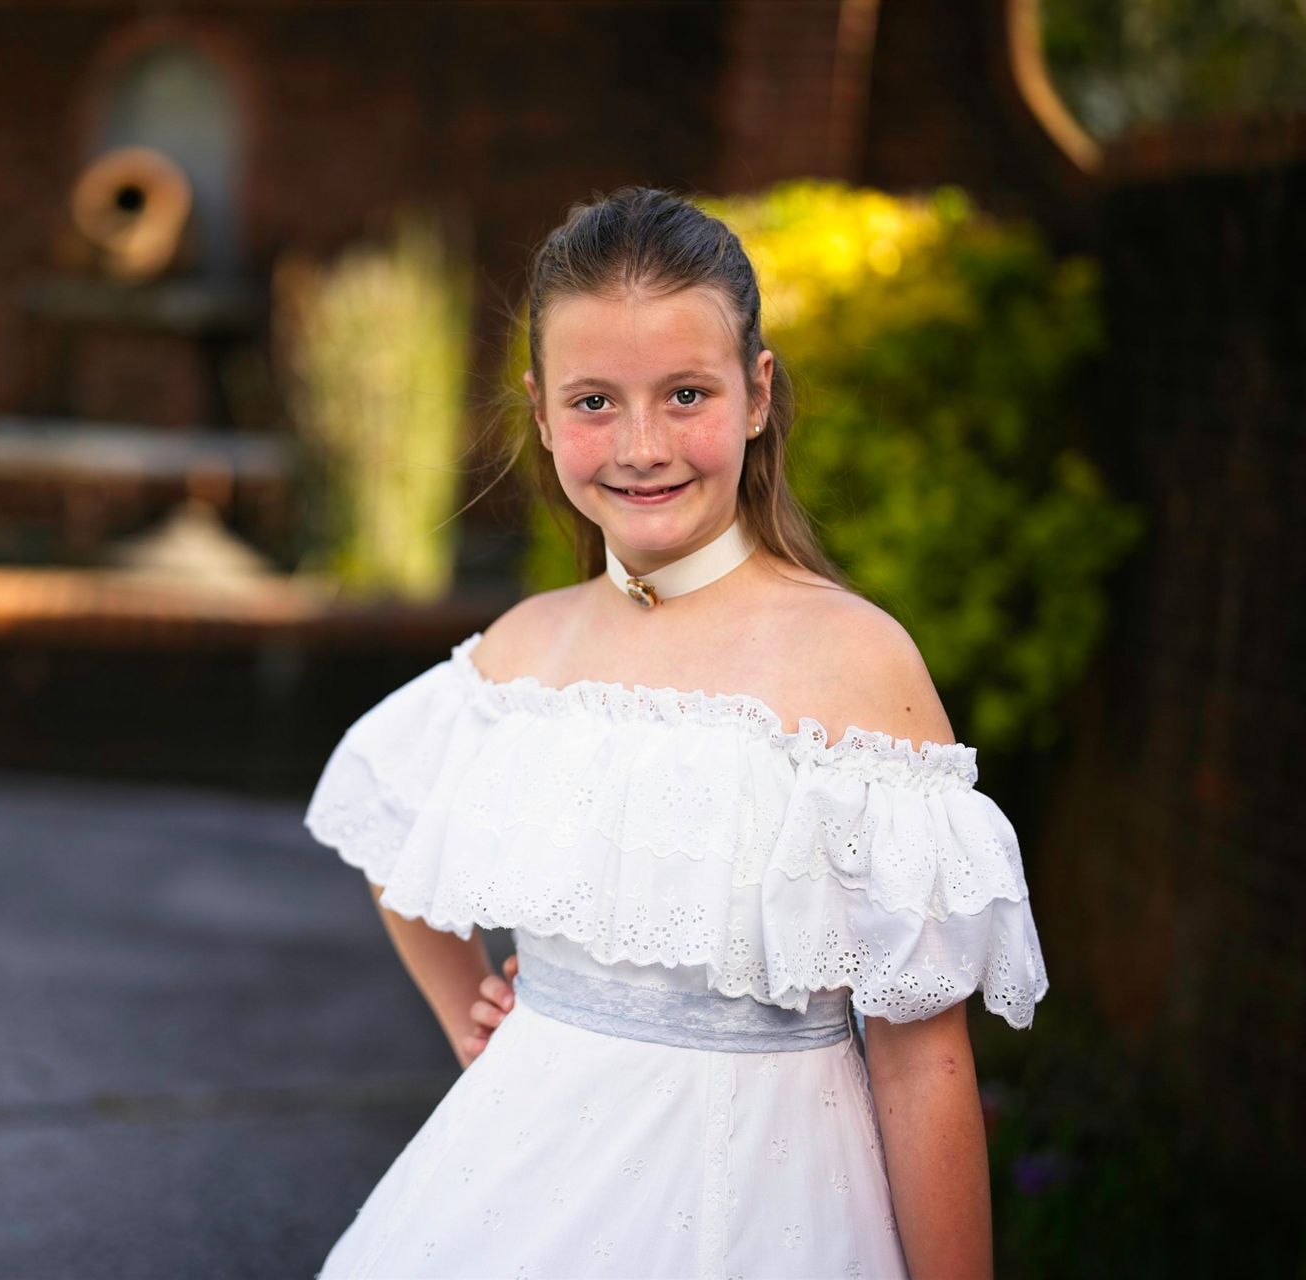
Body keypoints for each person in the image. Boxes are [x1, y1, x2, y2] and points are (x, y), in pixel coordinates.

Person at [301, 186, 1048, 1280]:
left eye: (685, 392)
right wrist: (479, 1013)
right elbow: (390, 829)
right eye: (595, 400)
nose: (641, 444)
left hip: (760, 1202)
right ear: (542, 412)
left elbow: (921, 1058)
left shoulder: (854, 660)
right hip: (510, 1188)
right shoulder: (524, 651)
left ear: (756, 393)